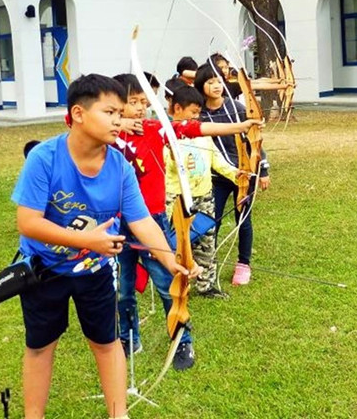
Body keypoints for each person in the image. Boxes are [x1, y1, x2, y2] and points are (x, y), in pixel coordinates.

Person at [11, 73, 198, 419]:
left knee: (107, 343)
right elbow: (29, 222)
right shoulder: (44, 158)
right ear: (79, 114)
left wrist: (172, 261)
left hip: (93, 272)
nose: (120, 120)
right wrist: (87, 240)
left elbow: (142, 222)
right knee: (40, 346)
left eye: (120, 112)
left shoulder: (120, 168)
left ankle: (119, 414)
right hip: (43, 269)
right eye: (110, 112)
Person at [110, 73, 259, 369]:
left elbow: (192, 127)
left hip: (150, 220)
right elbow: (71, 120)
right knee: (123, 288)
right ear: (115, 105)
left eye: (144, 102)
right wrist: (118, 124)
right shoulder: (105, 135)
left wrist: (240, 126)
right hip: (116, 224)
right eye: (133, 102)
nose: (140, 108)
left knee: (169, 284)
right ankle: (129, 338)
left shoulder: (154, 129)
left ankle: (182, 341)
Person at [195, 63, 270, 286]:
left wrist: (263, 169)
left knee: (243, 220)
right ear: (201, 86)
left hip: (245, 174)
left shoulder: (237, 108)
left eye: (219, 81)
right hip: (216, 177)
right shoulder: (199, 113)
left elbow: (254, 140)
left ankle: (243, 264)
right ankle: (207, 264)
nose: (216, 86)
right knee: (211, 221)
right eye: (210, 82)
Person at [166, 84, 240, 298]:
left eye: (199, 113)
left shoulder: (201, 134)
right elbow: (168, 167)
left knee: (207, 239)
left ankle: (206, 285)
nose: (197, 117)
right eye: (193, 112)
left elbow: (216, 158)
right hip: (177, 197)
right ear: (177, 108)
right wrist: (172, 156)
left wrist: (236, 174)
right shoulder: (166, 134)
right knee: (179, 242)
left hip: (204, 194)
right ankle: (179, 284)